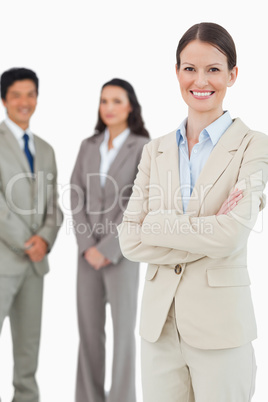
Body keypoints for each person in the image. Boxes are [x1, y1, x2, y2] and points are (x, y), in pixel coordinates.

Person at [118, 22, 268, 402]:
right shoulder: (156, 150)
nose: (200, 80)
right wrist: (207, 230)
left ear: (233, 75)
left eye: (213, 69)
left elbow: (229, 235)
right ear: (177, 72)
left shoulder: (254, 147)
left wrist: (158, 224)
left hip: (221, 331)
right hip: (159, 331)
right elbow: (129, 238)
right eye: (190, 68)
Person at [70, 78, 150, 402]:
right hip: (87, 256)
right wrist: (88, 246)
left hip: (122, 254)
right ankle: (88, 398)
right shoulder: (89, 146)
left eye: (117, 101)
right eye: (104, 101)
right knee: (89, 334)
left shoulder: (143, 145)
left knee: (123, 335)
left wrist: (108, 249)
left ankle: (121, 398)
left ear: (130, 105)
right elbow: (75, 194)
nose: (109, 108)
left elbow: (139, 202)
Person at [0, 68, 63, 402]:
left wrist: (45, 239)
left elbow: (55, 204)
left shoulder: (45, 149)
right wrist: (26, 242)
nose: (24, 102)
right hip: (3, 260)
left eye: (30, 94)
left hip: (35, 265)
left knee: (28, 353)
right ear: (4, 99)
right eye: (16, 95)